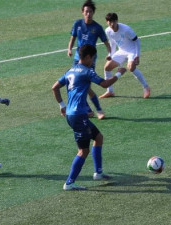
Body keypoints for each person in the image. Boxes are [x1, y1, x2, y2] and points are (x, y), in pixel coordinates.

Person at [52, 44, 126, 190]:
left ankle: (98, 173)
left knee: (98, 137)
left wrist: (62, 105)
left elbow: (54, 87)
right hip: (79, 116)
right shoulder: (87, 71)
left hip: (72, 115)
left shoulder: (70, 71)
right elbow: (105, 84)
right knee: (83, 151)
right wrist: (119, 73)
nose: (93, 61)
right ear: (86, 57)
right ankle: (69, 183)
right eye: (92, 58)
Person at [67, 0, 111, 120]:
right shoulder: (77, 24)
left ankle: (98, 110)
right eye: (86, 11)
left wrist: (109, 53)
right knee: (77, 86)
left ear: (93, 13)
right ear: (82, 12)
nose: (88, 14)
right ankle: (89, 110)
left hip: (90, 60)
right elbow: (72, 38)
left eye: (90, 12)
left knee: (86, 87)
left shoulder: (97, 28)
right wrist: (69, 49)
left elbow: (106, 42)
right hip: (78, 59)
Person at [99, 12, 150, 99]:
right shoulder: (108, 31)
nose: (112, 24)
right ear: (106, 22)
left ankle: (146, 87)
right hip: (121, 51)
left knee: (131, 68)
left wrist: (137, 55)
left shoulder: (126, 29)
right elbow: (113, 44)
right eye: (109, 22)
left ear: (117, 21)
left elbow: (137, 41)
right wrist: (110, 54)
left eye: (113, 22)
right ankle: (109, 91)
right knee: (107, 67)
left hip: (132, 50)